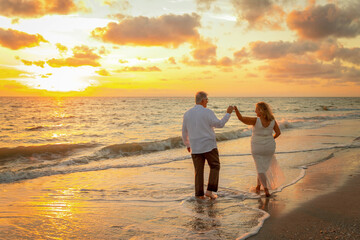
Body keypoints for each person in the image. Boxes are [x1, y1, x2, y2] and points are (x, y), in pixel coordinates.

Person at [182, 91, 234, 199]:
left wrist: (187, 144)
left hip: (195, 147)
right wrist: (228, 113)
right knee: (215, 166)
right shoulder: (207, 112)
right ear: (203, 100)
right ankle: (209, 191)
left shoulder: (187, 114)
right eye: (207, 100)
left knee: (198, 171)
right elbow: (220, 124)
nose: (207, 102)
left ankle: (199, 195)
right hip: (209, 145)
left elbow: (184, 131)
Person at [234, 102, 283, 197]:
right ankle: (258, 186)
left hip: (257, 146)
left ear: (260, 110)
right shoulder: (272, 120)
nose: (254, 111)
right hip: (270, 146)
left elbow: (241, 118)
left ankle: (266, 189)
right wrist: (270, 139)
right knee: (262, 167)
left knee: (260, 167)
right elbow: (278, 133)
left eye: (256, 109)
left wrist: (236, 110)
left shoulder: (256, 120)